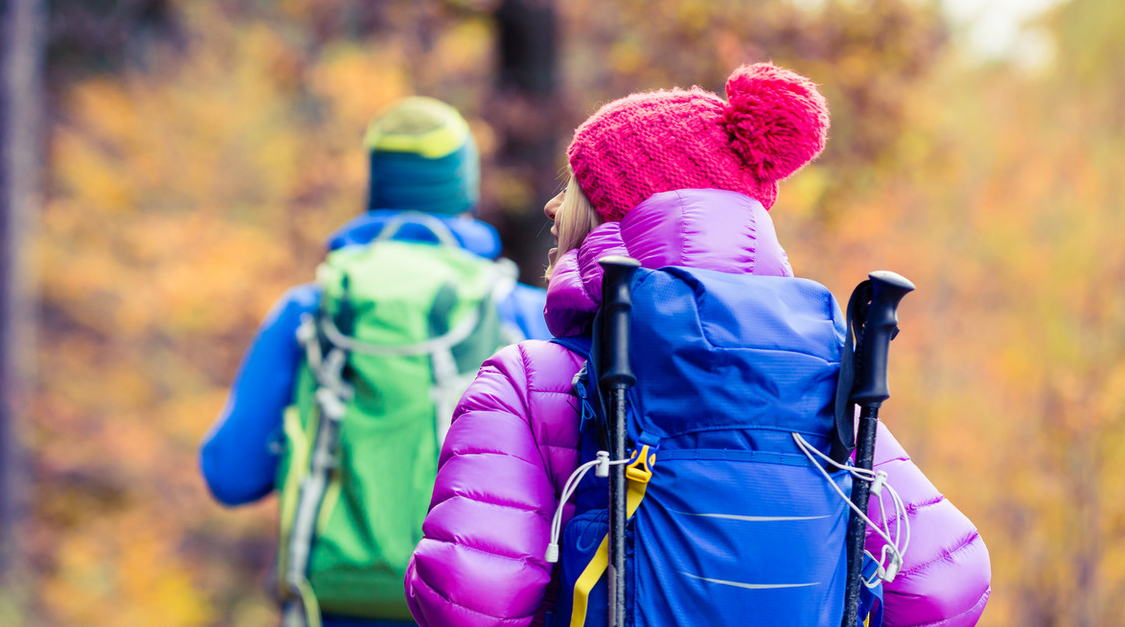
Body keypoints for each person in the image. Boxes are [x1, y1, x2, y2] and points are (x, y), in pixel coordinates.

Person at [404, 64, 991, 626]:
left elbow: (470, 592)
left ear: (615, 215)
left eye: (576, 185)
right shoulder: (820, 376)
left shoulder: (533, 381)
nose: (554, 207)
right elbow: (946, 584)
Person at [201, 96, 551, 627]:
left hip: (333, 606)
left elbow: (230, 474)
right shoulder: (518, 313)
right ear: (465, 191)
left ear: (376, 188)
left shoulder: (312, 310)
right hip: (476, 608)